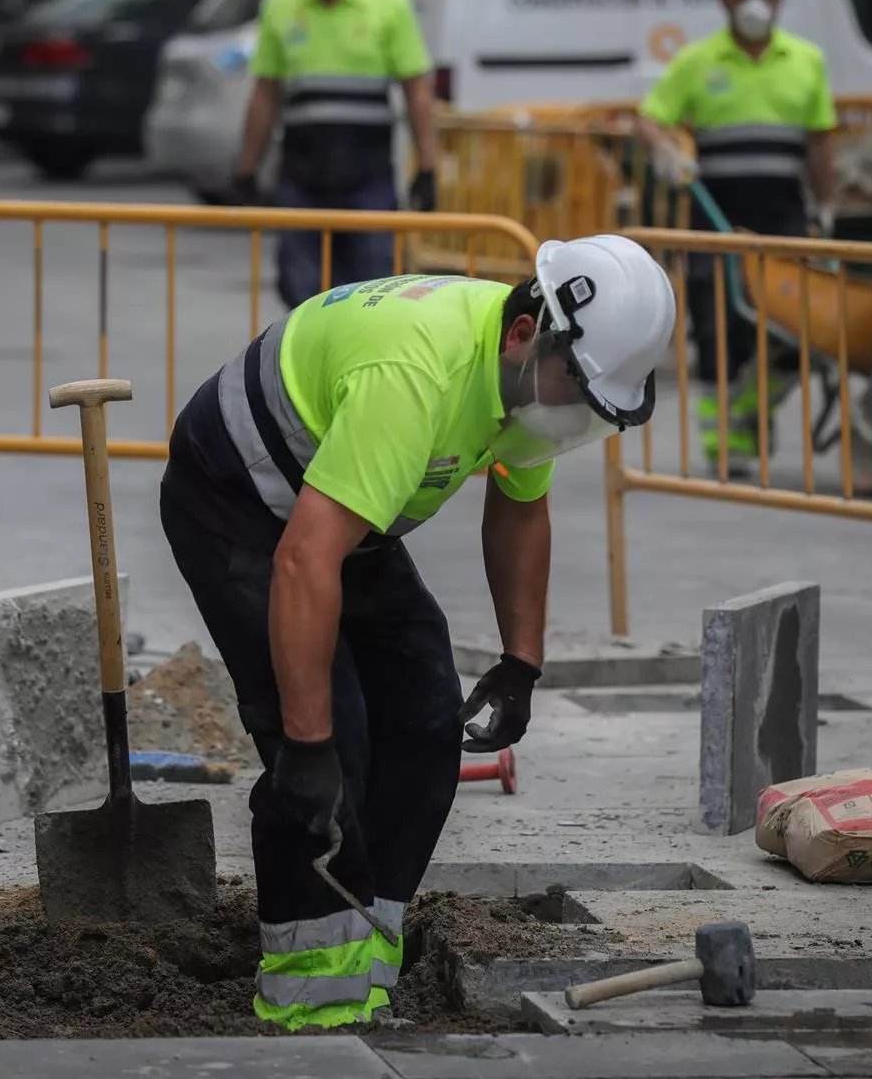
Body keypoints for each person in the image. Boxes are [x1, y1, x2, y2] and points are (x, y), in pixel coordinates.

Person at [160, 235, 675, 1029]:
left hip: (341, 506)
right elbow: (302, 561)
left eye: (592, 406)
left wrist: (520, 663)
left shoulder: (526, 373)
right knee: (332, 750)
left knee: (426, 716)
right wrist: (304, 745)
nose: (572, 415)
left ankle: (370, 956)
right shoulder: (418, 376)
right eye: (576, 390)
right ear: (523, 333)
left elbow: (519, 502)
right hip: (237, 501)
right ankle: (310, 1007)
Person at [636, 0, 837, 469]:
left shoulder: (806, 61)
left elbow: (820, 143)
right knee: (718, 328)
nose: (754, 4)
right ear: (724, 0)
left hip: (784, 219)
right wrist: (667, 149)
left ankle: (748, 414)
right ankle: (725, 444)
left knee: (794, 333)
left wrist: (828, 207)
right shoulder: (697, 62)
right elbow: (650, 119)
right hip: (716, 220)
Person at [232, 0, 439, 309]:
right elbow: (265, 94)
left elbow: (416, 90)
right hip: (302, 177)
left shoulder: (388, 4)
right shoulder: (281, 7)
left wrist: (429, 166)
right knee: (301, 292)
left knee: (373, 291)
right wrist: (246, 168)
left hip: (368, 177)